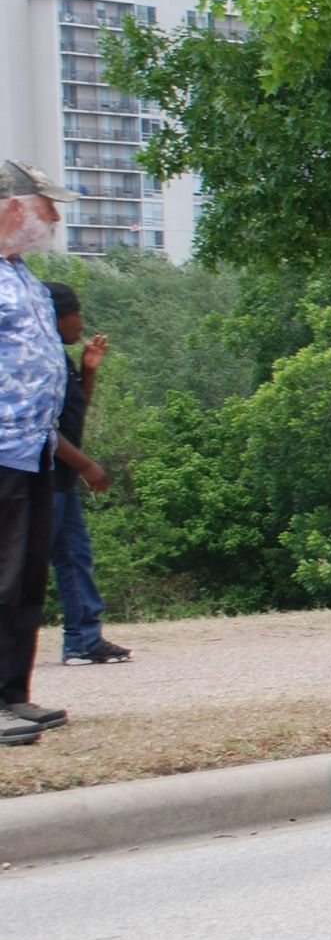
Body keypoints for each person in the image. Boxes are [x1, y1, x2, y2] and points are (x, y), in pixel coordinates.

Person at [0, 163, 73, 745]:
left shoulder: (21, 274)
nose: (54, 220)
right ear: (12, 207)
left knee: (25, 577)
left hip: (33, 448)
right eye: (47, 208)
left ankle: (11, 694)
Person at [45, 283, 129, 665]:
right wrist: (86, 465)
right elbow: (42, 429)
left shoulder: (60, 359)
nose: (80, 322)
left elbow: (73, 413)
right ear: (57, 317)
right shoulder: (41, 361)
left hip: (59, 481)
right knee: (22, 564)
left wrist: (89, 370)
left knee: (74, 557)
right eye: (76, 313)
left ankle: (83, 641)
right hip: (38, 479)